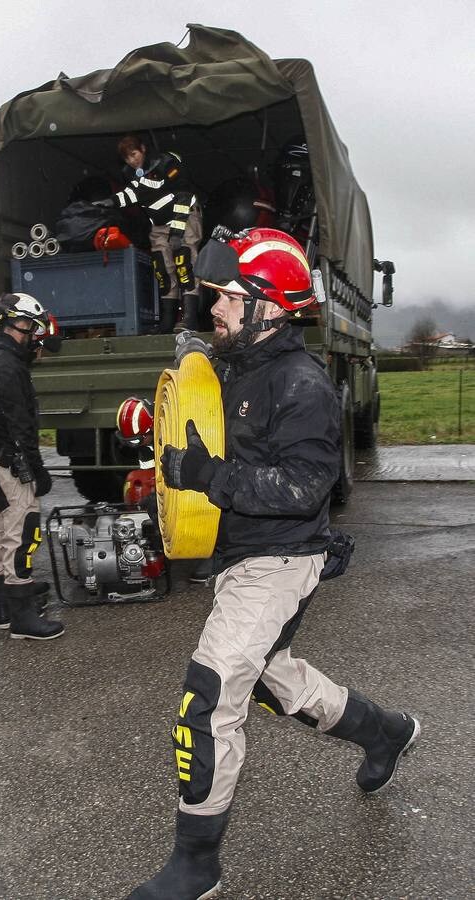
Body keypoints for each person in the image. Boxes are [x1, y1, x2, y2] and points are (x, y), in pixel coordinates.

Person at [126, 227, 420, 899]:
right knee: (272, 681)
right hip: (236, 555)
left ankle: (196, 862)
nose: (215, 310)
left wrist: (206, 474)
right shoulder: (231, 363)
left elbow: (300, 489)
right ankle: (386, 732)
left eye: (228, 297)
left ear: (269, 304)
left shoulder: (301, 383)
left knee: (211, 691)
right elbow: (200, 429)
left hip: (280, 559)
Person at [0, 292, 65, 641]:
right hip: (7, 459)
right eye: (27, 325)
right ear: (11, 324)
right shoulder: (7, 367)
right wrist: (36, 468)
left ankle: (5, 609)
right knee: (22, 531)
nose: (31, 335)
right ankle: (22, 616)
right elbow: (19, 424)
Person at [96, 134, 203, 334]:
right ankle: (167, 321)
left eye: (134, 154)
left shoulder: (167, 164)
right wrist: (111, 201)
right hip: (159, 224)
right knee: (162, 268)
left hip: (184, 215)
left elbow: (183, 194)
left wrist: (177, 231)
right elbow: (133, 193)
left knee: (184, 262)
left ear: (143, 149)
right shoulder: (131, 173)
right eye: (127, 158)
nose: (132, 160)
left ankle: (190, 319)